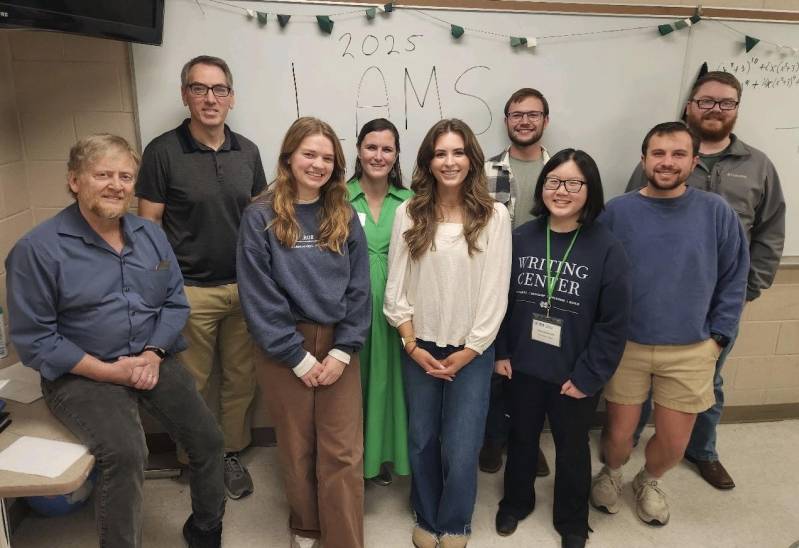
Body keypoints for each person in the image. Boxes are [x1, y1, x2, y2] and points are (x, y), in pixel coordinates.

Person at [5, 134, 225, 548]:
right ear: (74, 180)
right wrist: (108, 370)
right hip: (82, 372)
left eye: (125, 176)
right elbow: (35, 340)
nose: (116, 185)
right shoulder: (35, 251)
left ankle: (206, 528)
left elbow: (175, 303)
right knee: (125, 454)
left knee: (209, 439)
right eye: (102, 174)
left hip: (150, 357)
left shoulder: (150, 234)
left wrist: (153, 354)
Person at [626, 71, 785, 490]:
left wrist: (745, 295)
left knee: (708, 384)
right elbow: (623, 232)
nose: (716, 109)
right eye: (707, 101)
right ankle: (634, 448)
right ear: (690, 105)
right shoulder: (656, 165)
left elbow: (770, 232)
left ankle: (703, 451)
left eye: (726, 102)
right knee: (637, 391)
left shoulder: (758, 165)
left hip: (717, 308)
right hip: (650, 312)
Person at [592, 122, 749, 527]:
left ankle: (650, 480)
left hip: (691, 348)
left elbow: (735, 277)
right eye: (658, 154)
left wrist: (719, 337)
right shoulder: (617, 212)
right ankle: (611, 472)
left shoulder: (716, 212)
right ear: (644, 159)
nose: (667, 162)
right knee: (619, 435)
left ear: (694, 161)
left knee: (675, 441)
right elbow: (597, 274)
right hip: (627, 345)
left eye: (678, 154)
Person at [137, 55, 267, 499]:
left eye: (219, 90)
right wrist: (163, 289)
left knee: (241, 380)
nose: (210, 99)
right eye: (199, 88)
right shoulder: (162, 152)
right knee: (190, 385)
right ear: (184, 95)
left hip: (244, 289)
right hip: (189, 292)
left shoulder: (248, 151)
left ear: (231, 97)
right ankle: (196, 458)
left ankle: (228, 453)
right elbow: (148, 227)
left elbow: (259, 220)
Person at [237, 117, 371, 548]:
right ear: (289, 157)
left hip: (337, 344)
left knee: (343, 453)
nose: (318, 164)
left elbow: (359, 288)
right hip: (284, 345)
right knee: (297, 448)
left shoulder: (344, 213)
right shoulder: (260, 214)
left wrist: (343, 350)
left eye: (328, 158)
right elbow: (259, 293)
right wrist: (295, 356)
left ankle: (345, 540)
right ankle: (306, 528)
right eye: (309, 154)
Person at [384, 118, 512, 548]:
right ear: (428, 161)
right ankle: (425, 511)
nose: (449, 161)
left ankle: (455, 521)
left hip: (472, 349)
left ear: (472, 159)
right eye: (440, 153)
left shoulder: (495, 215)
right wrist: (411, 343)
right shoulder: (410, 211)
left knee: (461, 443)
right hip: (418, 344)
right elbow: (396, 287)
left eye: (458, 152)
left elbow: (496, 293)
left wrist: (472, 349)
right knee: (422, 437)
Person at [493, 149, 630, 548]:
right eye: (553, 182)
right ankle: (516, 502)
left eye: (574, 183)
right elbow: (498, 301)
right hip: (521, 364)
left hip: (574, 372)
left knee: (573, 447)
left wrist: (590, 375)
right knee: (520, 437)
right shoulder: (520, 238)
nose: (562, 191)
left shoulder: (607, 248)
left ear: (590, 190)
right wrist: (501, 352)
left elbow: (614, 322)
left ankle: (572, 521)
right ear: (542, 188)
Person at [482, 87, 553, 477]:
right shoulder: (486, 170)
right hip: (496, 284)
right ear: (507, 120)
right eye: (516, 114)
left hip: (546, 286)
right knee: (496, 367)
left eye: (533, 114)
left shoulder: (562, 170)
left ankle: (527, 441)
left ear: (545, 120)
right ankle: (493, 438)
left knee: (535, 367)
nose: (524, 121)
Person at [347, 118, 413, 486]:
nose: (378, 155)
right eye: (371, 147)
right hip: (351, 309)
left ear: (396, 154)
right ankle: (355, 462)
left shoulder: (410, 202)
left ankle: (383, 457)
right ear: (358, 150)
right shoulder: (338, 197)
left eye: (387, 148)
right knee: (354, 387)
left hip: (398, 309)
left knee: (391, 385)